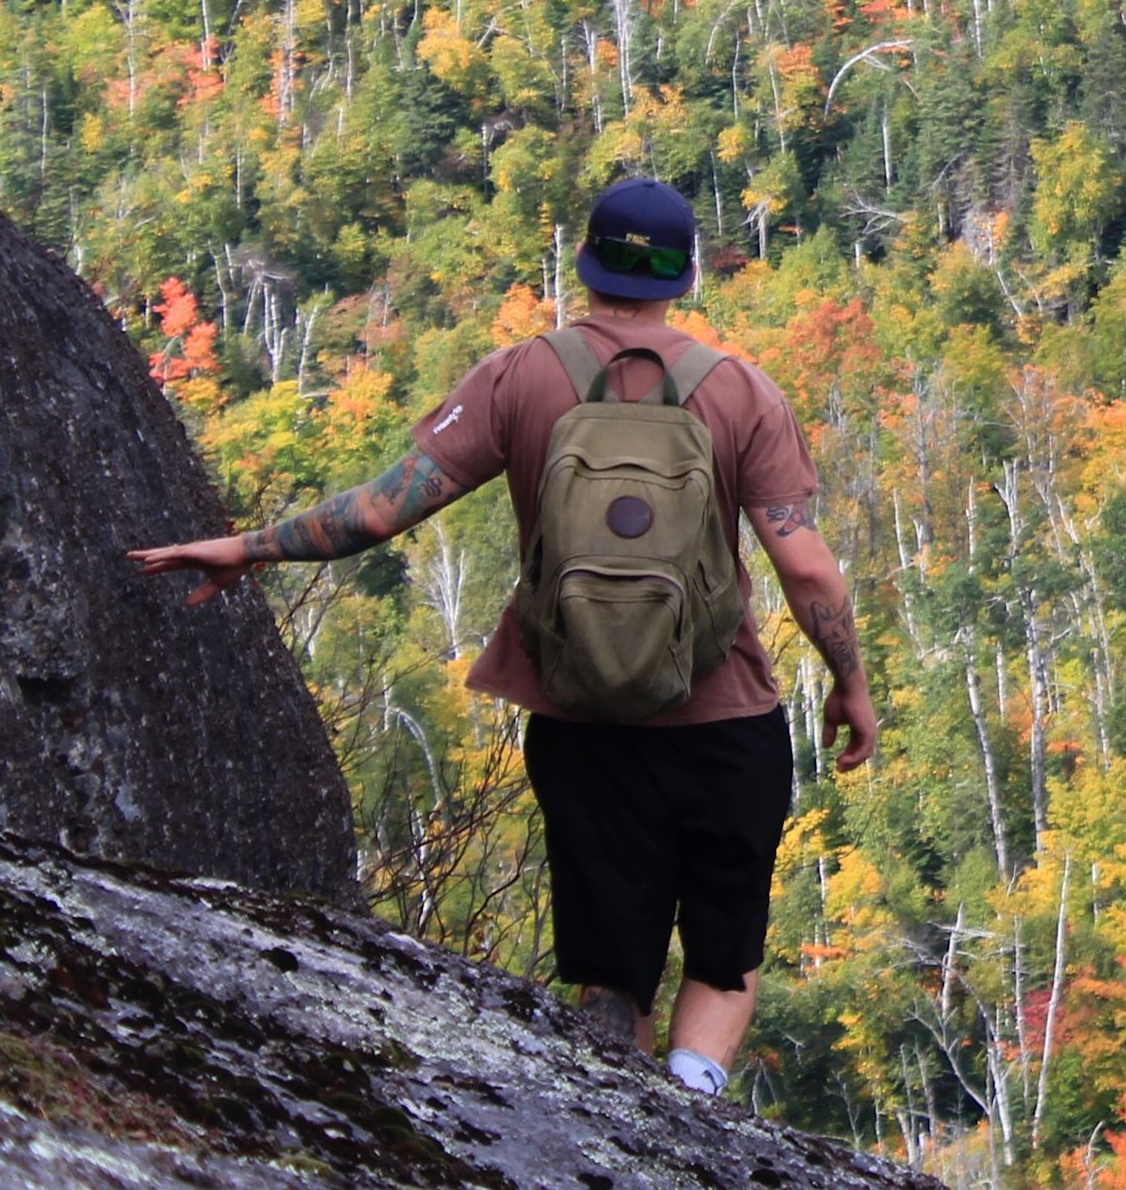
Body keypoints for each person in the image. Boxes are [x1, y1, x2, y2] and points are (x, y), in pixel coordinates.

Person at [132, 178, 880, 1096]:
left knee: (611, 974)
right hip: (722, 720)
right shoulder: (741, 395)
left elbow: (379, 511)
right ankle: (692, 1113)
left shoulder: (521, 377)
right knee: (724, 959)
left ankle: (614, 1118)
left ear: (586, 265)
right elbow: (806, 568)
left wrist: (248, 548)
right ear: (685, 276)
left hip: (579, 719)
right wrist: (850, 680)